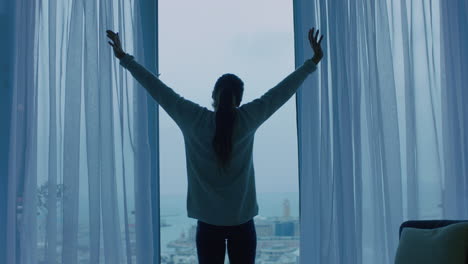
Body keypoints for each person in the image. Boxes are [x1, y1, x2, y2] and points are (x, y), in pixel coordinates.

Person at [107, 28, 323, 264]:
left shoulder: (193, 119)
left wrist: (124, 58)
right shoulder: (247, 119)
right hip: (243, 223)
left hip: (208, 225)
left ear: (213, 95)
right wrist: (312, 62)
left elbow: (158, 90)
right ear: (238, 99)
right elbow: (280, 93)